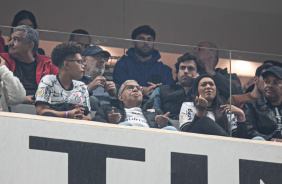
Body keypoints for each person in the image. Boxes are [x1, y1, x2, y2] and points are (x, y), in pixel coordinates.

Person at [0, 25, 58, 104]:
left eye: (16, 40)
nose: (10, 43)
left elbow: (58, 92)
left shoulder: (48, 63)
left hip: (41, 108)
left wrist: (40, 99)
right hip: (10, 107)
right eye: (10, 39)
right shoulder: (2, 60)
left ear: (30, 45)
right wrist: (23, 100)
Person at [113, 25, 174, 98]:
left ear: (153, 43)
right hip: (127, 107)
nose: (146, 43)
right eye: (141, 39)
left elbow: (170, 93)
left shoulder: (164, 70)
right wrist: (142, 90)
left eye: (149, 40)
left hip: (156, 108)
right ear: (133, 43)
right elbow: (119, 88)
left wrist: (157, 91)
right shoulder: (123, 64)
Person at [35, 42, 91, 120]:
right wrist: (67, 114)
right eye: (79, 62)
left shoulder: (82, 86)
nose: (83, 65)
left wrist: (80, 118)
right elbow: (41, 112)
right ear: (66, 64)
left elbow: (88, 116)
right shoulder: (48, 81)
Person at [93, 80, 177, 130]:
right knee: (125, 126)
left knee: (171, 129)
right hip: (122, 142)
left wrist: (164, 125)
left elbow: (167, 129)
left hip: (150, 140)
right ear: (120, 97)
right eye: (130, 88)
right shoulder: (107, 108)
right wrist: (110, 123)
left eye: (138, 88)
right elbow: (94, 125)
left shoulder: (155, 112)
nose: (135, 90)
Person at [179, 74, 247, 137]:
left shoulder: (225, 110)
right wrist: (200, 111)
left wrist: (241, 116)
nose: (208, 87)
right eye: (203, 84)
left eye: (211, 84)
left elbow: (238, 140)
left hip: (221, 148)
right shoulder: (188, 106)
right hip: (196, 145)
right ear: (196, 91)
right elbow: (185, 134)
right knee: (204, 120)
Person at [149, 53, 206, 119]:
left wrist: (199, 84)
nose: (186, 71)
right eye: (182, 68)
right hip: (165, 127)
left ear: (198, 73)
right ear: (177, 73)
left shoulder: (203, 92)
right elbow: (152, 113)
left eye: (190, 68)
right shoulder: (161, 90)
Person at [244, 66, 282, 141]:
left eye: (275, 82)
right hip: (264, 148)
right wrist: (274, 140)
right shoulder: (252, 106)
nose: (269, 85)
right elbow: (250, 132)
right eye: (267, 82)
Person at [80, 46, 117, 110]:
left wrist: (114, 95)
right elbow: (69, 100)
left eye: (104, 58)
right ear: (84, 60)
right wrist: (88, 88)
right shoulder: (75, 81)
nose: (102, 60)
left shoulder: (109, 84)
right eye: (97, 57)